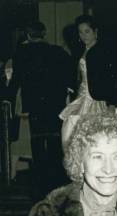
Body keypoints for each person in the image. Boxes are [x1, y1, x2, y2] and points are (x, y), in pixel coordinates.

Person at [9, 21, 72, 196]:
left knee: (37, 142)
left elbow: (16, 80)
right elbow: (68, 77)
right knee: (54, 141)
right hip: (55, 103)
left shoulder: (22, 53)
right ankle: (56, 183)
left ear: (28, 35)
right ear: (44, 33)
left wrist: (9, 97)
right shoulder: (57, 51)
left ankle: (40, 184)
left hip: (35, 103)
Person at [60, 15, 117, 146]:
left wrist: (112, 104)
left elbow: (114, 78)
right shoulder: (79, 51)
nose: (83, 36)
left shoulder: (105, 51)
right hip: (81, 97)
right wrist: (69, 93)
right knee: (71, 135)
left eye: (87, 31)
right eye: (80, 32)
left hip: (99, 100)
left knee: (97, 138)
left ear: (95, 31)